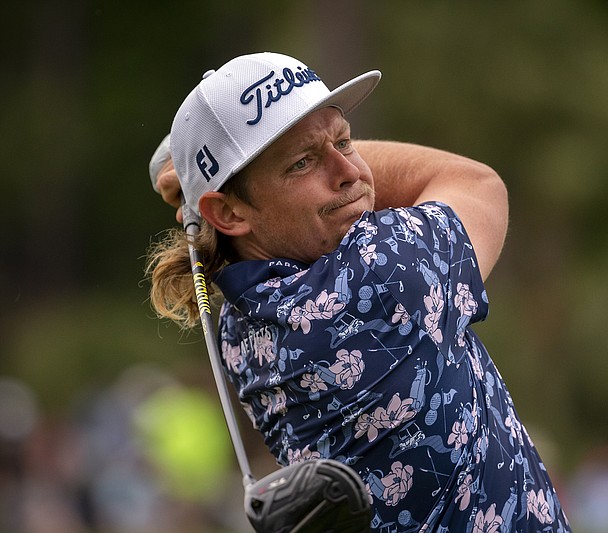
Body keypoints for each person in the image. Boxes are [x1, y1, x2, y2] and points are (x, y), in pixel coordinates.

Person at [146, 51, 570, 532]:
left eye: (344, 141)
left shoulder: (238, 326)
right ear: (230, 214)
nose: (347, 170)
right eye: (302, 163)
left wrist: (229, 172)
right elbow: (476, 183)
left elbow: (286, 203)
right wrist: (322, 137)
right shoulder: (385, 271)